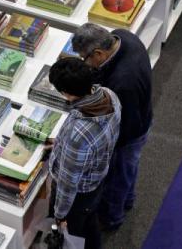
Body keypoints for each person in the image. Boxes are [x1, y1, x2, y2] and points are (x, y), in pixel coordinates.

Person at [71, 23, 152, 231]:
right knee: (129, 170)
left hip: (130, 133)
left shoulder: (123, 83)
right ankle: (128, 200)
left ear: (98, 52)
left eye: (85, 58)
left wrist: (107, 147)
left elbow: (126, 128)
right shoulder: (122, 36)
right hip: (142, 114)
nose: (85, 63)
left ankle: (112, 218)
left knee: (118, 176)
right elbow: (105, 71)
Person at [48, 57, 121, 249]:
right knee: (90, 223)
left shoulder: (78, 136)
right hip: (97, 178)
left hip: (79, 196)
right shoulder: (109, 95)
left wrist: (60, 214)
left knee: (74, 235)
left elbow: (68, 182)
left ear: (67, 93)